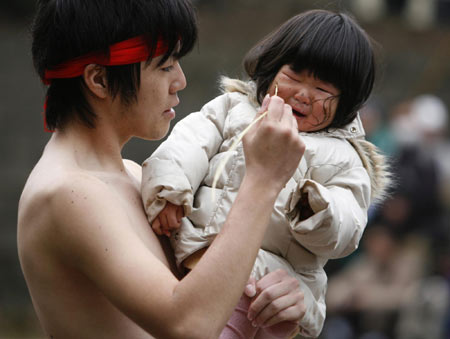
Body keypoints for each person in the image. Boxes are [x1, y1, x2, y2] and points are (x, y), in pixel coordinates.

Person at [17, 1, 307, 338]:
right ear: (99, 79)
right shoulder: (68, 192)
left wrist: (269, 309)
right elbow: (189, 324)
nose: (180, 81)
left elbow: (209, 310)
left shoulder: (131, 175)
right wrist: (262, 181)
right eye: (165, 66)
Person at [141, 9, 391, 338]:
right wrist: (169, 191)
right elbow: (187, 145)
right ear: (272, 68)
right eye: (295, 75)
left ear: (347, 102)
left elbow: (348, 226)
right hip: (188, 252)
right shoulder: (233, 109)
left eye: (323, 87)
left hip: (260, 292)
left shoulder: (344, 158)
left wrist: (314, 207)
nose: (303, 93)